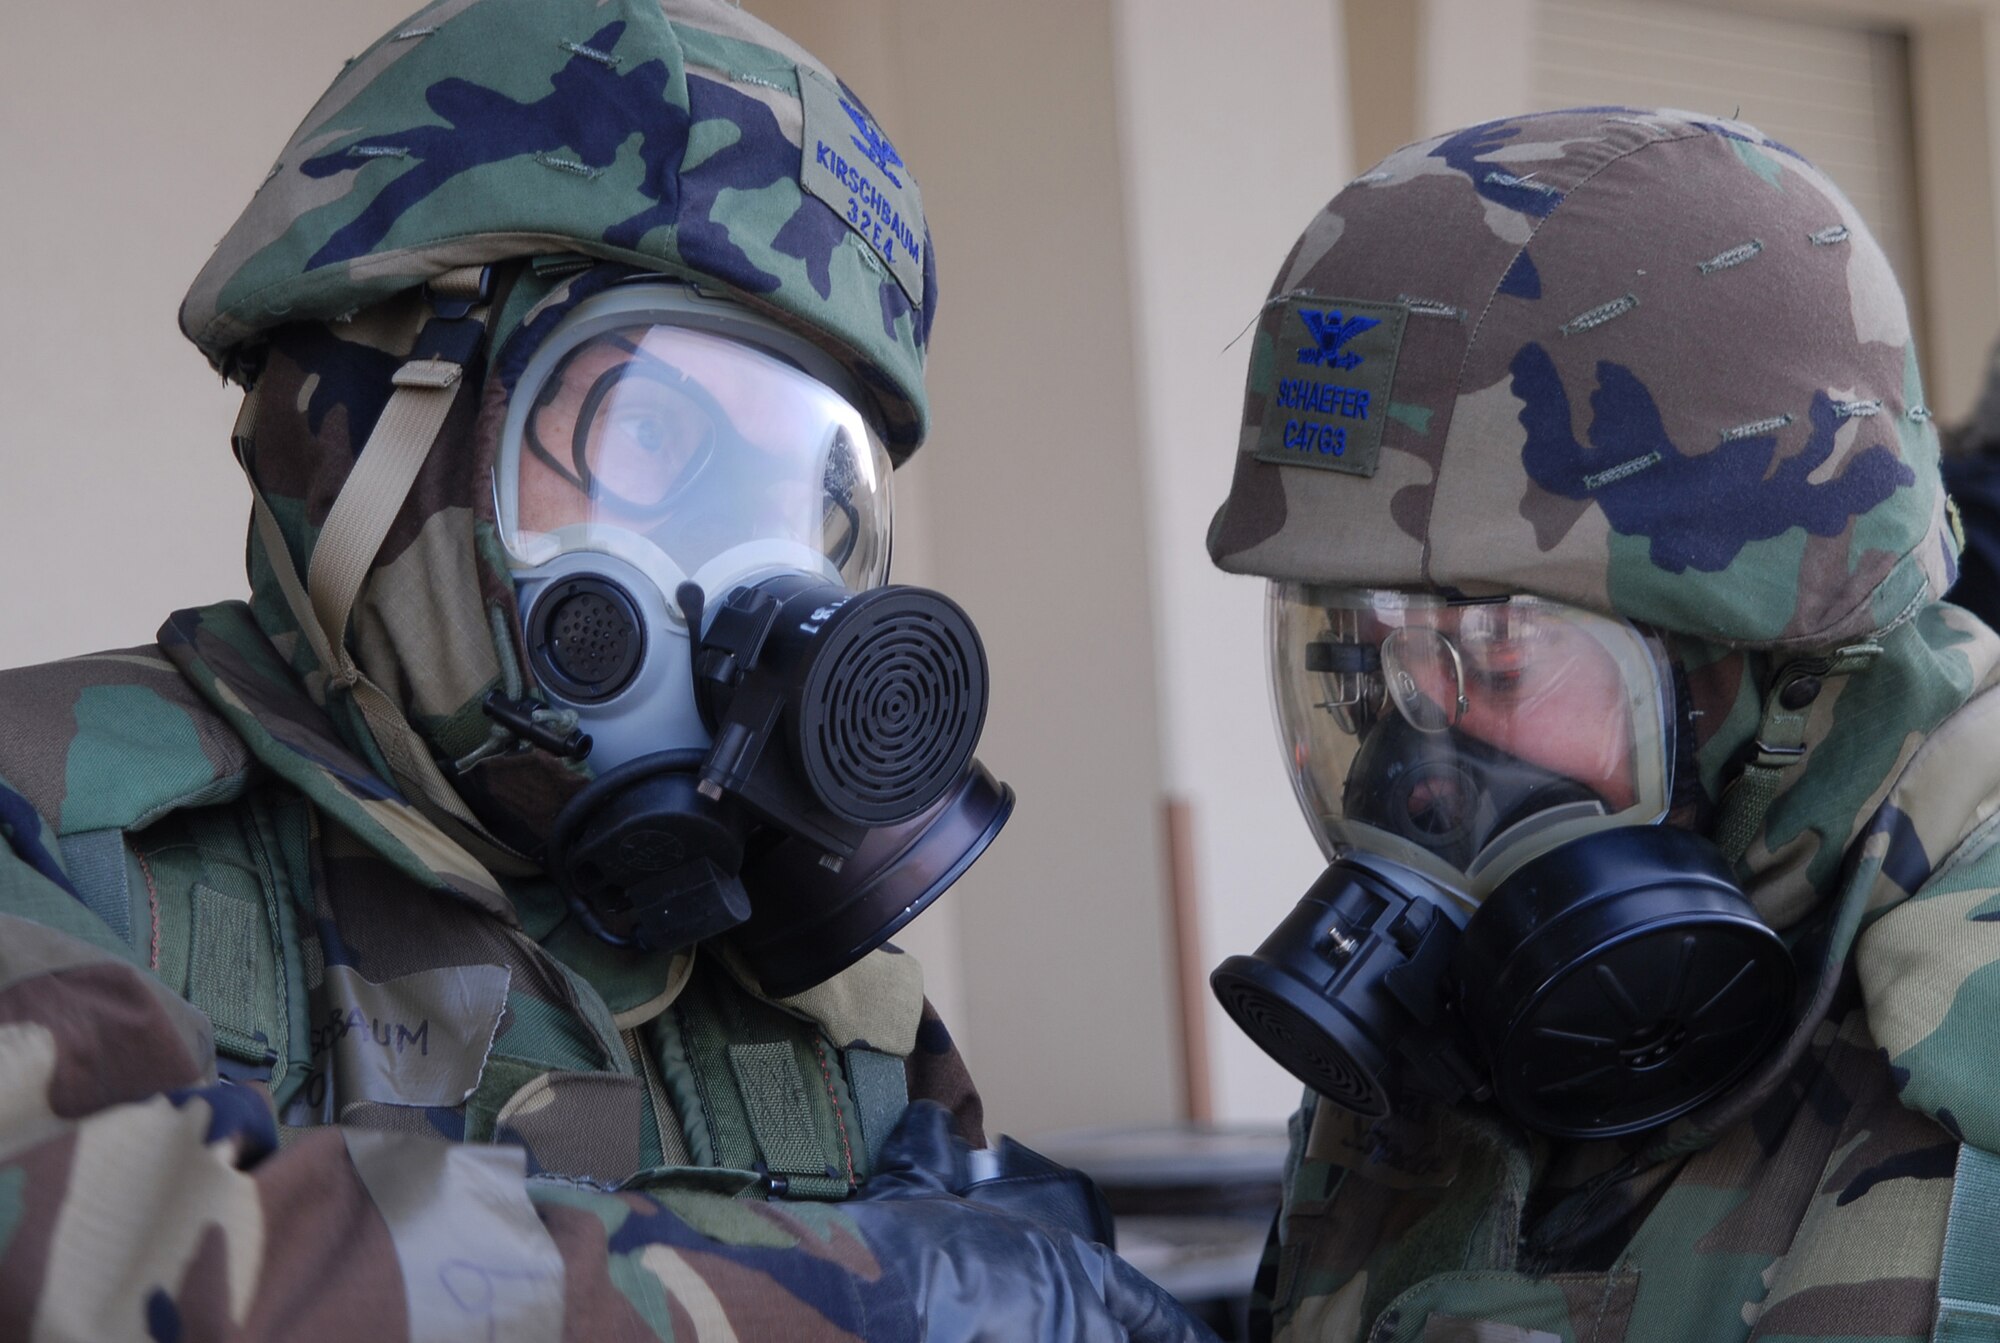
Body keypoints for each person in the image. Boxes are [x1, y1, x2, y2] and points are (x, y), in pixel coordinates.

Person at [0, 2, 1214, 1339]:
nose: (745, 569)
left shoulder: (808, 982)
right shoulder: (52, 821)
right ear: (378, 429)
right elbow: (112, 1255)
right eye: (650, 437)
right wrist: (877, 1296)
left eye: (803, 499)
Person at [1202, 107, 2000, 1342]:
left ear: (1762, 665)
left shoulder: (1973, 1064)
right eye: (1374, 662)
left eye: (1497, 661)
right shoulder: (1465, 1016)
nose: (1420, 762)